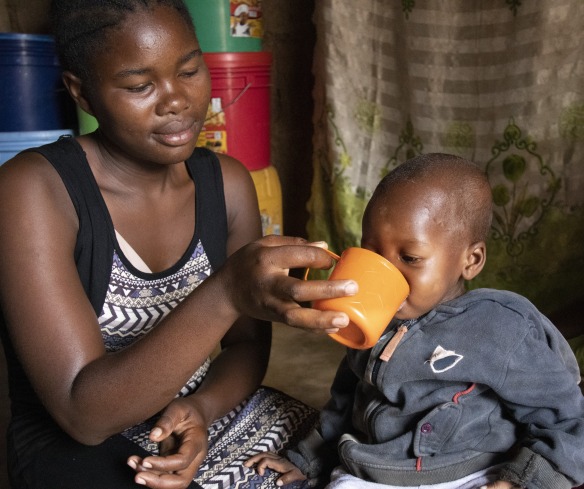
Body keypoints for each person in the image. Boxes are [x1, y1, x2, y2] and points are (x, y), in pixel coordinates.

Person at [0, 1, 359, 488]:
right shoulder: (33, 189)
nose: (177, 100)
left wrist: (200, 411)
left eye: (189, 69)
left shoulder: (226, 184)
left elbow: (245, 347)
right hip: (80, 435)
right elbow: (83, 414)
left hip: (194, 412)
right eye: (138, 86)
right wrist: (228, 291)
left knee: (347, 452)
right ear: (82, 94)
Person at [246, 153, 584, 489]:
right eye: (372, 254)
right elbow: (346, 400)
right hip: (371, 472)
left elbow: (564, 417)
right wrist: (308, 458)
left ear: (472, 260)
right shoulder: (374, 320)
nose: (387, 270)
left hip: (470, 472)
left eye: (410, 258)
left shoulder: (501, 327)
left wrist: (523, 481)